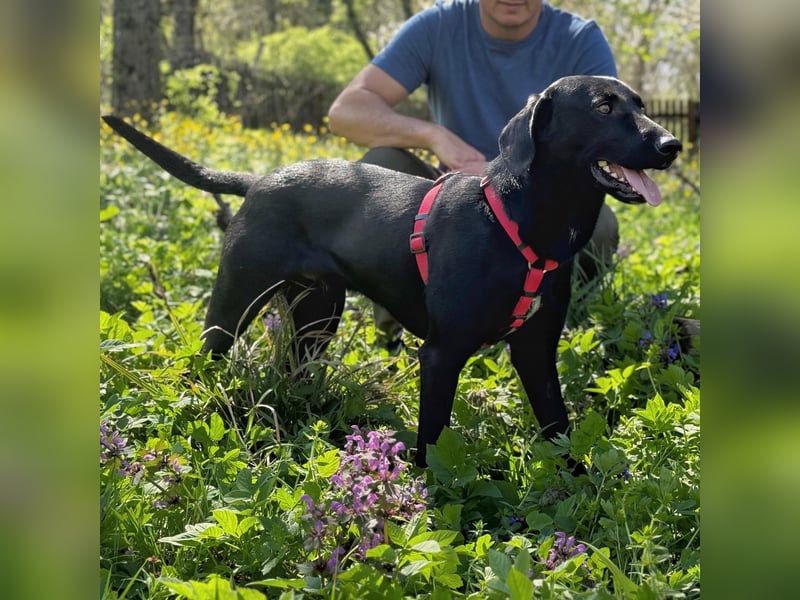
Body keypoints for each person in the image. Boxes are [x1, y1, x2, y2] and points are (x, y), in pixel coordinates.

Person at [328, 0, 619, 341]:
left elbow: (610, 138)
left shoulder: (579, 40)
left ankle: (548, 324)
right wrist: (434, 136)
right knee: (383, 163)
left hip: (542, 206)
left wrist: (506, 169)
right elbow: (345, 112)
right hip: (450, 208)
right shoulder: (437, 26)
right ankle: (402, 326)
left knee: (599, 225)